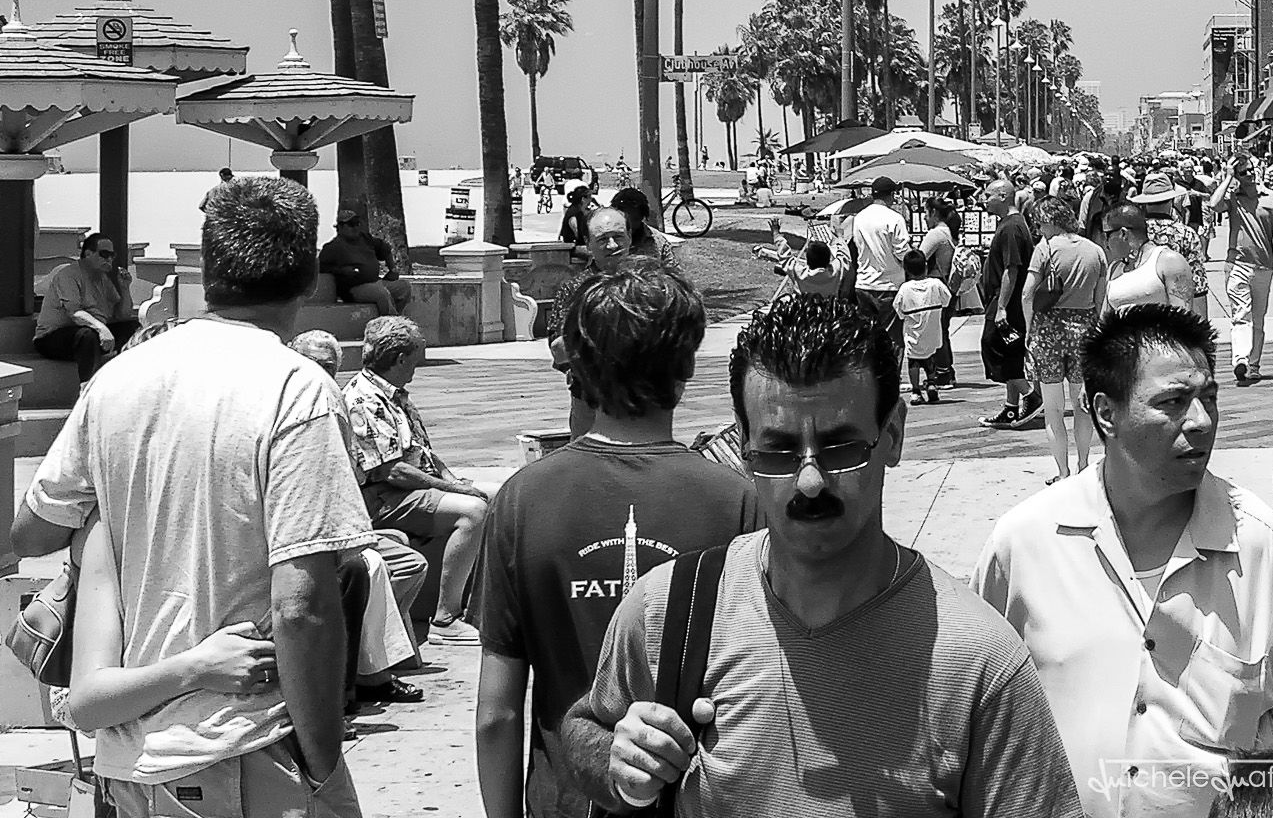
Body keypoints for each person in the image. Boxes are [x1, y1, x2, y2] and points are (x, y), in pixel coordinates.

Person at [561, 291, 1082, 818]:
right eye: (778, 450)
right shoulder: (670, 609)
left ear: (893, 435)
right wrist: (620, 764)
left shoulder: (979, 662)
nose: (809, 480)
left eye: (840, 447)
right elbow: (583, 727)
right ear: (743, 443)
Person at [15, 177, 372, 817]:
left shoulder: (117, 380)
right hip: (245, 749)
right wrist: (320, 761)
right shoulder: (298, 389)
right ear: (306, 280)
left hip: (129, 763)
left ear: (209, 269)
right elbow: (303, 604)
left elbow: (33, 533)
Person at [976, 304, 1273, 818]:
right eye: (1172, 402)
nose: (1199, 421)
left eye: (1208, 399)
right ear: (1105, 414)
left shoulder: (1269, 551)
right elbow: (978, 721)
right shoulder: (1022, 545)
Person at [477, 258, 760, 818]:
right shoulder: (737, 501)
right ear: (686, 368)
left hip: (563, 797)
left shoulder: (522, 499)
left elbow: (497, 712)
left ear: (577, 367)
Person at [289, 331, 428, 717]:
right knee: (366, 566)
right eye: (315, 365)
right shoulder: (294, 407)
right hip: (310, 533)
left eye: (329, 368)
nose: (322, 374)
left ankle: (372, 670)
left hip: (343, 524)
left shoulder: (333, 405)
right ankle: (356, 684)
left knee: (388, 558)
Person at [343, 315, 489, 643]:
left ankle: (477, 607)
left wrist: (456, 479)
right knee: (472, 512)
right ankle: (445, 618)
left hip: (410, 487)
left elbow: (419, 451)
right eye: (414, 361)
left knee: (498, 495)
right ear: (399, 359)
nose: (415, 369)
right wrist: (453, 488)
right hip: (384, 497)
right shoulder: (363, 399)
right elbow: (391, 470)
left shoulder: (394, 394)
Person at [1026, 196, 1109, 480]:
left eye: (1039, 222)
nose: (1038, 228)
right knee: (1082, 404)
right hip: (1084, 328)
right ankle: (1084, 464)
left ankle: (1063, 472)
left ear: (1049, 220)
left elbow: (1028, 293)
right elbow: (1101, 300)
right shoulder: (1095, 250)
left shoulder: (1045, 249)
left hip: (1048, 330)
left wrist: (1029, 330)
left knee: (1054, 409)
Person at [1210, 155, 1273, 387]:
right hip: (1238, 264)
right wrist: (1228, 177)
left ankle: (1253, 365)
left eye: (1251, 170)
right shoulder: (1233, 199)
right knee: (1240, 314)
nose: (1250, 175)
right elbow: (1214, 205)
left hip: (1265, 265)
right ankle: (1240, 359)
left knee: (1258, 319)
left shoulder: (1271, 198)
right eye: (1243, 172)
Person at [980, 178, 1047, 433]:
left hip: (1006, 300)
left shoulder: (1011, 227)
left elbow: (1012, 268)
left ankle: (1031, 395)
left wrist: (1001, 307)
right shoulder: (1011, 225)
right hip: (1006, 300)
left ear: (1002, 196)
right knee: (1011, 353)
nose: (983, 199)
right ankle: (1011, 407)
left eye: (988, 195)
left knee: (992, 345)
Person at [33, 232, 138, 384]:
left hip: (94, 335)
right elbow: (75, 313)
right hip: (51, 338)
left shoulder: (103, 279)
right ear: (88, 254)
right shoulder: (69, 275)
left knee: (133, 328)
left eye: (111, 255)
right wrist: (102, 329)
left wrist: (125, 288)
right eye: (104, 254)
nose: (109, 259)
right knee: (87, 335)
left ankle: (128, 382)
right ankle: (87, 387)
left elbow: (123, 315)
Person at [1101, 202, 1198, 314]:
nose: (1105, 243)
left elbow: (1183, 317)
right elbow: (1105, 320)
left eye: (1107, 235)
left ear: (1123, 234)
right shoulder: (1114, 269)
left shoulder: (1170, 262)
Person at [317, 206, 413, 318]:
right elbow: (321, 267)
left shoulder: (365, 239)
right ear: (341, 227)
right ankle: (391, 322)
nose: (355, 228)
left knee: (403, 287)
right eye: (351, 224)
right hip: (354, 289)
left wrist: (393, 269)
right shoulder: (332, 247)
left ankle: (394, 316)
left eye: (357, 223)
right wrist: (341, 271)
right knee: (380, 293)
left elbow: (385, 248)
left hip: (376, 282)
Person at [895, 247, 954, 406]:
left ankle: (915, 391)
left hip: (913, 333)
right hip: (933, 332)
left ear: (906, 270)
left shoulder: (905, 288)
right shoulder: (935, 284)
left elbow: (898, 308)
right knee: (930, 359)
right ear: (926, 266)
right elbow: (947, 299)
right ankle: (932, 383)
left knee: (913, 361)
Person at [921, 195, 963, 388]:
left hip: (936, 285)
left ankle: (942, 372)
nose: (924, 217)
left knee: (937, 330)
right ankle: (947, 371)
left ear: (934, 213)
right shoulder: (949, 232)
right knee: (942, 329)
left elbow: (919, 258)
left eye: (925, 212)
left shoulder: (936, 234)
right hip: (950, 286)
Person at [850, 175, 910, 305]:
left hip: (863, 284)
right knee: (889, 325)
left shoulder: (859, 218)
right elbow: (902, 251)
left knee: (867, 325)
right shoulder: (895, 218)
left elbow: (857, 245)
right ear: (892, 194)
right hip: (889, 285)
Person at [559, 185, 598, 262]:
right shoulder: (574, 213)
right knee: (599, 254)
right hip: (573, 247)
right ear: (583, 199)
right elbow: (578, 234)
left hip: (579, 245)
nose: (591, 199)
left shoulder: (581, 211)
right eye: (590, 197)